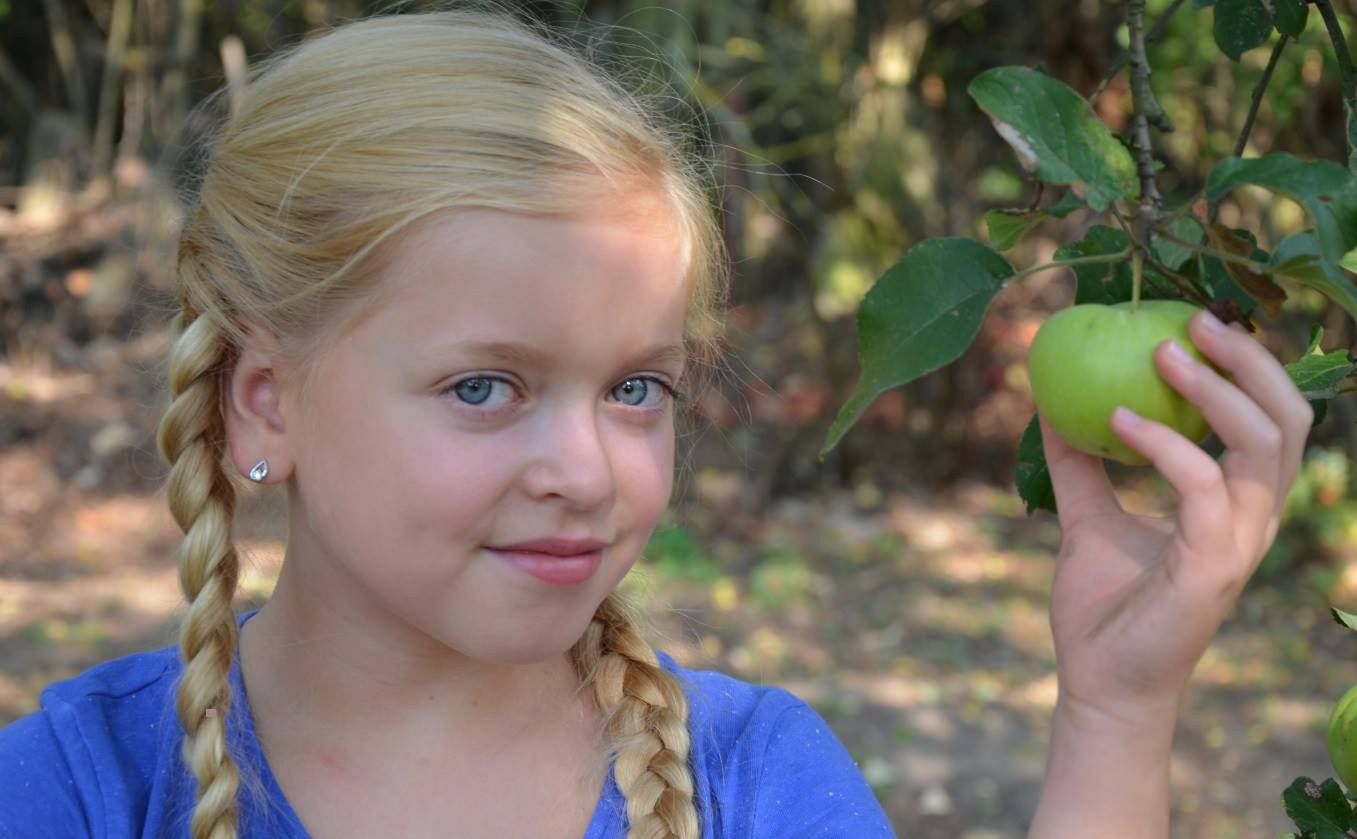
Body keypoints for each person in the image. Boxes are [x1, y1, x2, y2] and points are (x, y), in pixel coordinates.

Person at [0, 5, 1315, 839]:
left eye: (637, 387)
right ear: (262, 402)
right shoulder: (79, 791)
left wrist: (1114, 714)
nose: (585, 471)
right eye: (484, 387)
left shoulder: (752, 785)